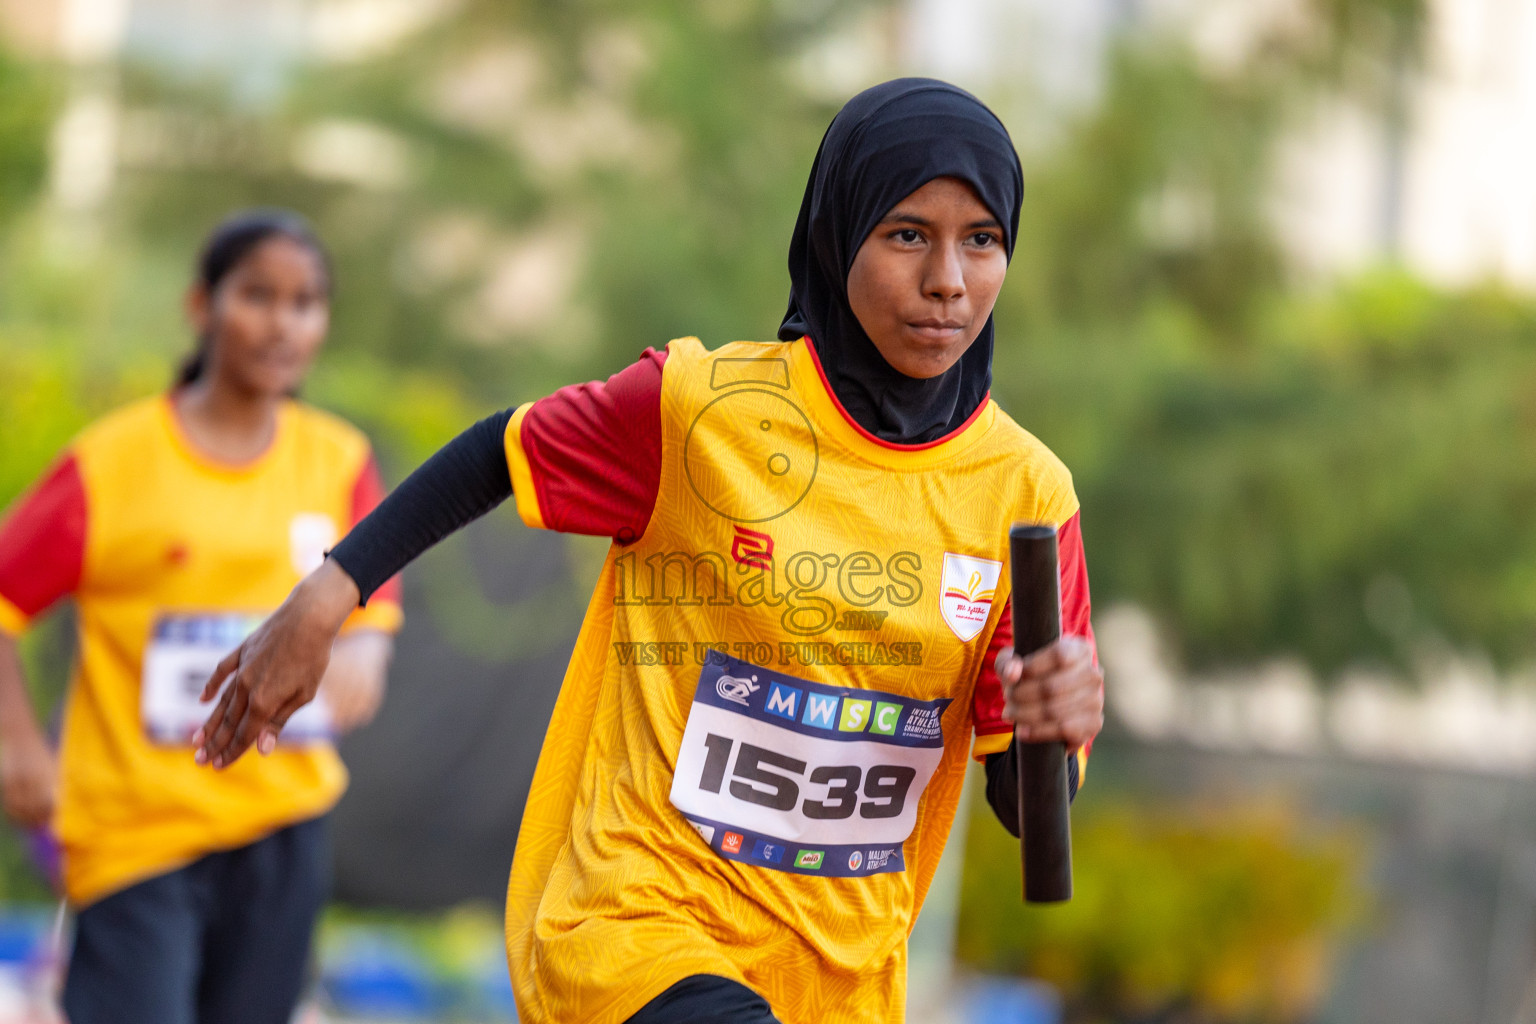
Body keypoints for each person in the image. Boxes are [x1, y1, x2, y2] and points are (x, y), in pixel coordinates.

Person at [195, 80, 1103, 1024]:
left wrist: (1052, 725)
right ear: (839, 240)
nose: (948, 279)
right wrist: (322, 600)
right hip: (637, 925)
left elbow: (1029, 812)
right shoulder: (695, 411)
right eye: (908, 234)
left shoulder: (1026, 493)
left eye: (982, 240)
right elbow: (495, 453)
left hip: (839, 980)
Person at [0, 210, 403, 1024]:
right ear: (201, 306)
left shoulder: (339, 460)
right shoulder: (111, 465)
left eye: (306, 302)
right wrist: (16, 746)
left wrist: (366, 651)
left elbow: (373, 590)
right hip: (134, 832)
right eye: (258, 295)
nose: (283, 322)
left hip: (282, 826)